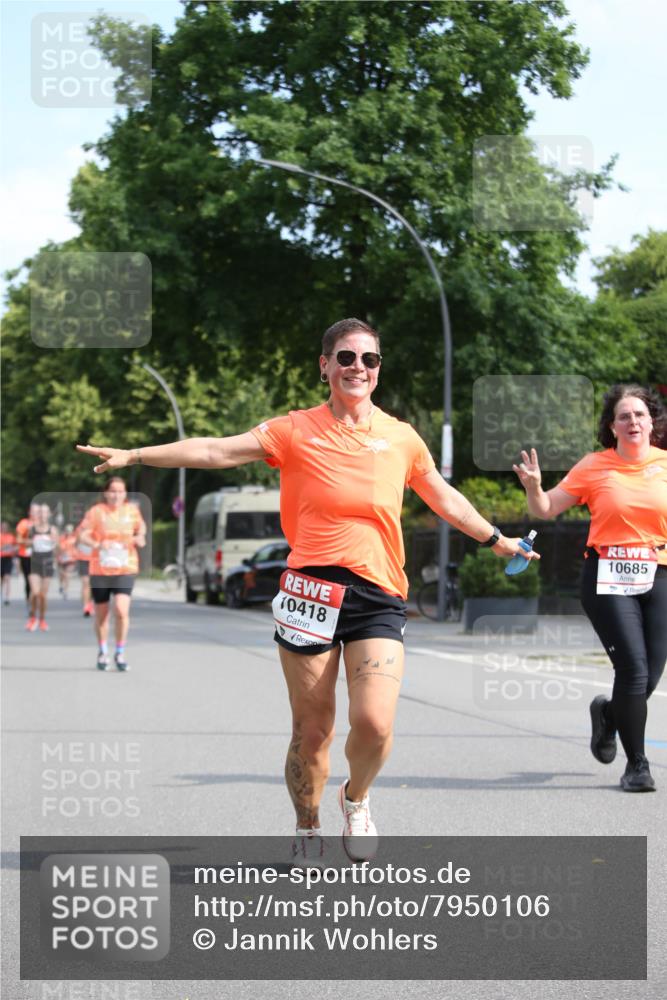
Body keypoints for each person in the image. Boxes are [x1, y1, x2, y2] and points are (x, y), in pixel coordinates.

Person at [78, 317, 538, 859]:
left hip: (377, 592)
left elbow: (445, 497)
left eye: (369, 359)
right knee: (313, 730)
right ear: (325, 365)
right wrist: (136, 456)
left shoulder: (400, 437)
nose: (358, 368)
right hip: (310, 594)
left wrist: (495, 539)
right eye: (346, 357)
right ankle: (307, 825)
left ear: (378, 370)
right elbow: (216, 452)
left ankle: (356, 798)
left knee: (374, 721)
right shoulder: (294, 430)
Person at [513, 383, 667, 792]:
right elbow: (544, 509)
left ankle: (610, 716)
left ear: (652, 421)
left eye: (639, 414)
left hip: (660, 574)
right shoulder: (595, 465)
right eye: (623, 416)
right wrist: (533, 486)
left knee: (650, 677)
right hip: (608, 577)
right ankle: (637, 765)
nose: (632, 421)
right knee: (632, 669)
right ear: (612, 427)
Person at [78, 478, 147, 672]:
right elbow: (83, 535)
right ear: (106, 493)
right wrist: (99, 544)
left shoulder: (131, 511)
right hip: (100, 569)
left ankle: (120, 651)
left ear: (125, 494)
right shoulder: (96, 512)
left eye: (121, 491)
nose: (117, 495)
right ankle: (102, 650)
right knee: (102, 614)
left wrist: (140, 537)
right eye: (113, 491)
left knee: (121, 609)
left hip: (125, 568)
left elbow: (141, 528)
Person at [26, 504, 58, 632]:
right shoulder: (32, 529)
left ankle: (42, 619)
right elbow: (24, 542)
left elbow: (58, 546)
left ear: (49, 514)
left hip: (48, 562)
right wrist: (33, 541)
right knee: (34, 593)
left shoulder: (52, 530)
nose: (42, 515)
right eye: (40, 512)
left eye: (45, 512)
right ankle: (33, 618)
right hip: (35, 561)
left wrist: (53, 542)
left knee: (43, 595)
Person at [15, 503, 39, 608]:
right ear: (29, 512)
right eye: (34, 511)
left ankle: (35, 600)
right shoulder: (24, 523)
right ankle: (29, 602)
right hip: (26, 556)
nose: (36, 513)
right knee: (29, 580)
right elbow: (18, 539)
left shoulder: (42, 524)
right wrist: (30, 542)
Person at [73, 517, 94, 616]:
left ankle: (91, 603)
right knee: (86, 582)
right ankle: (86, 606)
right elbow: (76, 542)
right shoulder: (80, 528)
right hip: (83, 558)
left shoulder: (99, 526)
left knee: (93, 584)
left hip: (96, 559)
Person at [57, 523, 77, 599]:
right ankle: (61, 585)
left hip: (71, 559)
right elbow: (58, 548)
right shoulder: (61, 538)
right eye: (67, 530)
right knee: (62, 574)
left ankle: (66, 590)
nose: (69, 532)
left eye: (70, 530)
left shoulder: (74, 538)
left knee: (67, 575)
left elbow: (77, 547)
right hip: (61, 559)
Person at [1, 521, 18, 605]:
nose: (4, 528)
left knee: (7, 578)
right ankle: (1, 595)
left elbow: (16, 546)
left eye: (5, 527)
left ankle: (7, 598)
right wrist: (3, 547)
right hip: (1, 558)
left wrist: (14, 550)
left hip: (8, 558)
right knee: (1, 579)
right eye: (2, 527)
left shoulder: (11, 537)